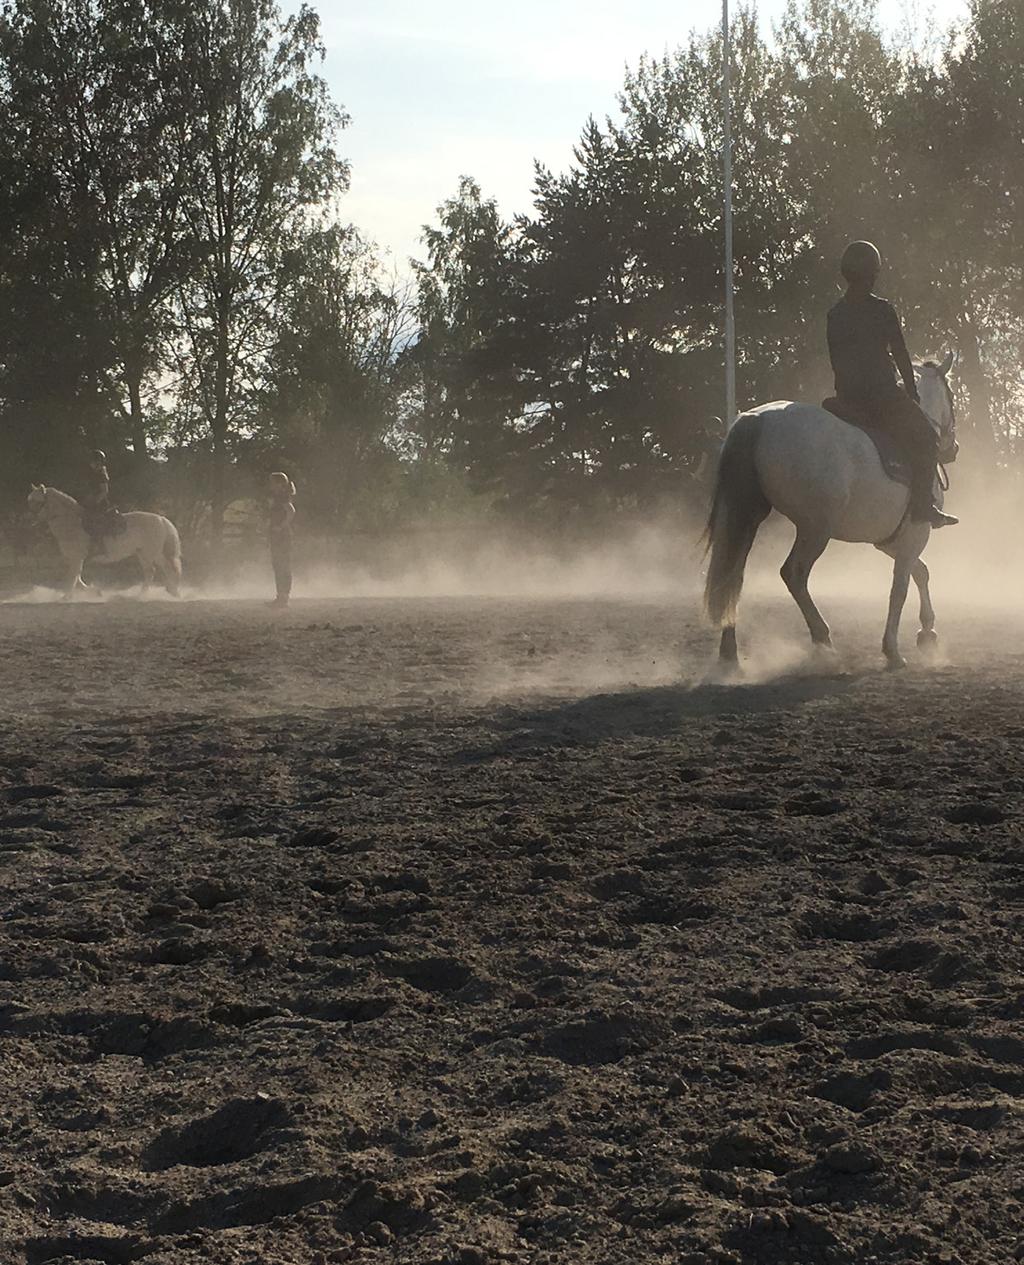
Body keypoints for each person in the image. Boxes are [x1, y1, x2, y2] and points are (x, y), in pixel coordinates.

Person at [826, 241, 957, 529]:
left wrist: (845, 393)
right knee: (926, 439)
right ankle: (924, 506)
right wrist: (910, 392)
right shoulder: (882, 309)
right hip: (882, 397)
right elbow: (900, 354)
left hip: (846, 399)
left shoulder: (835, 314)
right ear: (874, 272)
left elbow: (836, 359)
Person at [80, 449, 123, 552]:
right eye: (91, 462)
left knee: (95, 520)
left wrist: (95, 502)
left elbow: (104, 491)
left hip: (101, 503)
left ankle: (99, 545)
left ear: (99, 462)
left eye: (94, 462)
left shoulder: (101, 475)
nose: (91, 464)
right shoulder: (93, 474)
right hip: (93, 500)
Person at [267, 471, 296, 608]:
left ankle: (283, 596)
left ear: (279, 484)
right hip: (277, 535)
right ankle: (281, 595)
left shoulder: (282, 497)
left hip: (282, 535)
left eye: (272, 482)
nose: (270, 485)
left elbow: (291, 511)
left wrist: (281, 526)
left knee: (282, 564)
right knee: (278, 564)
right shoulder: (279, 497)